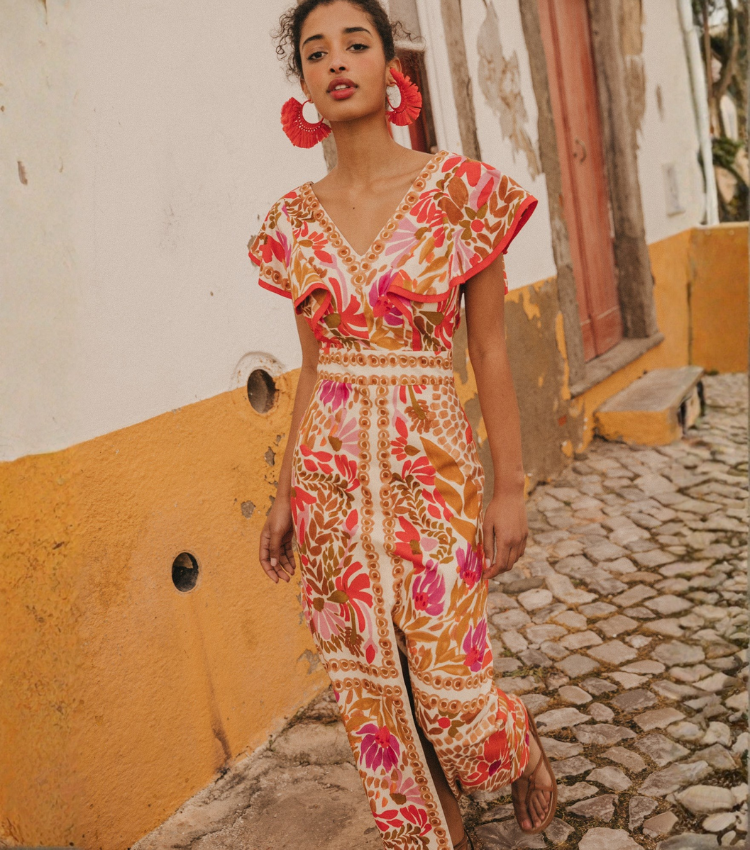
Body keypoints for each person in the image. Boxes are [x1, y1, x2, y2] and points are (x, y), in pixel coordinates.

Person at [248, 1, 557, 847]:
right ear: (304, 82)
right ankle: (431, 836)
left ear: (392, 67)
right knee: (375, 693)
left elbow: (489, 352)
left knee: (452, 694)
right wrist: (284, 494)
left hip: (434, 476)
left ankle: (514, 742)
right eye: (316, 52)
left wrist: (509, 488)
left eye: (356, 44)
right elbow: (313, 369)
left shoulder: (461, 193)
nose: (336, 62)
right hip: (331, 490)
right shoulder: (292, 224)